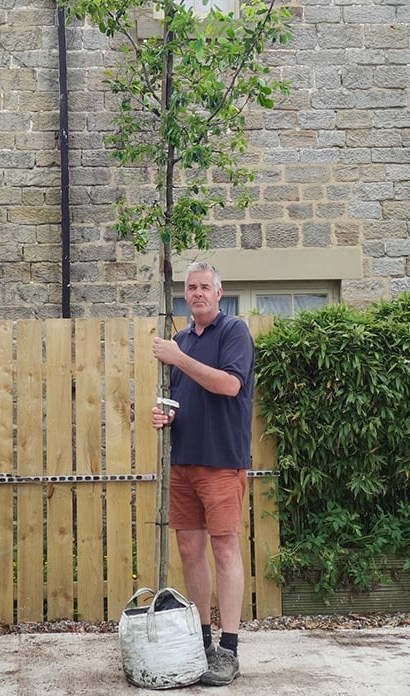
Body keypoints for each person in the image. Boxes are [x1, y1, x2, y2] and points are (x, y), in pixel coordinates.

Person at [151, 261, 255, 687]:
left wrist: (179, 358)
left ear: (218, 291)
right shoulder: (179, 341)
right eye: (191, 287)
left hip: (221, 461)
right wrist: (165, 416)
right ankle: (202, 642)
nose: (196, 293)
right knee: (191, 551)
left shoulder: (234, 332)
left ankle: (229, 650)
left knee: (225, 549)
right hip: (184, 461)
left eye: (204, 287)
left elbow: (229, 386)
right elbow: (184, 398)